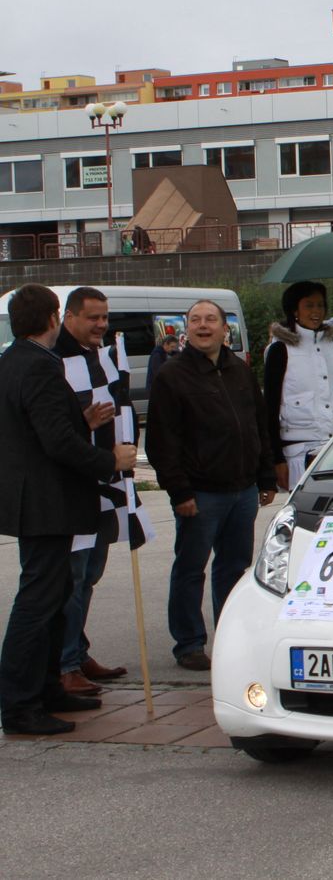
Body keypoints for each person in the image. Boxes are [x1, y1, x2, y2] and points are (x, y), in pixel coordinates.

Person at [0, 284, 135, 735]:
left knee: (55, 597)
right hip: (46, 501)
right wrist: (108, 460)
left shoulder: (15, 360)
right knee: (38, 602)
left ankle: (48, 688)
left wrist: (82, 421)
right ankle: (20, 705)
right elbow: (54, 443)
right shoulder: (39, 365)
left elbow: (36, 429)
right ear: (54, 318)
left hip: (38, 498)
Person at [145, 298, 277, 671]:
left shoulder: (239, 370)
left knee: (234, 570)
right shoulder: (172, 376)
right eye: (195, 320)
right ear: (186, 329)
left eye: (211, 320)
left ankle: (231, 639)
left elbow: (258, 426)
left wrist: (265, 475)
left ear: (225, 329)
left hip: (243, 491)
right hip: (199, 494)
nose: (203, 326)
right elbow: (161, 442)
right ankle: (188, 643)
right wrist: (179, 491)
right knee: (190, 568)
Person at [53, 287, 137, 697]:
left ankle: (76, 650)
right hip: (73, 486)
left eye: (105, 317)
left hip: (107, 480)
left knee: (90, 576)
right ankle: (64, 664)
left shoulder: (100, 355)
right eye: (93, 318)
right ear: (69, 317)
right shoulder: (54, 361)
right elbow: (51, 429)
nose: (102, 325)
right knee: (73, 576)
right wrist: (83, 422)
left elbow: (119, 408)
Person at [262, 283, 333, 493]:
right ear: (294, 310)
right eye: (309, 305)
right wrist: (276, 459)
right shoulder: (279, 350)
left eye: (320, 305)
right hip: (299, 450)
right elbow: (270, 409)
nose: (316, 311)